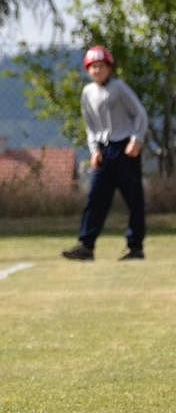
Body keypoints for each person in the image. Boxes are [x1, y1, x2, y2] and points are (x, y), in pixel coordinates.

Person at [61, 45, 148, 261]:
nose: (97, 71)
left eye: (101, 66)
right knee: (96, 198)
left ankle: (135, 246)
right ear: (88, 70)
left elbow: (140, 114)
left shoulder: (119, 88)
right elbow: (90, 125)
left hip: (125, 149)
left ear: (109, 67)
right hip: (104, 149)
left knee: (134, 199)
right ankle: (86, 245)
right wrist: (94, 150)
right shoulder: (87, 93)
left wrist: (136, 139)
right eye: (93, 67)